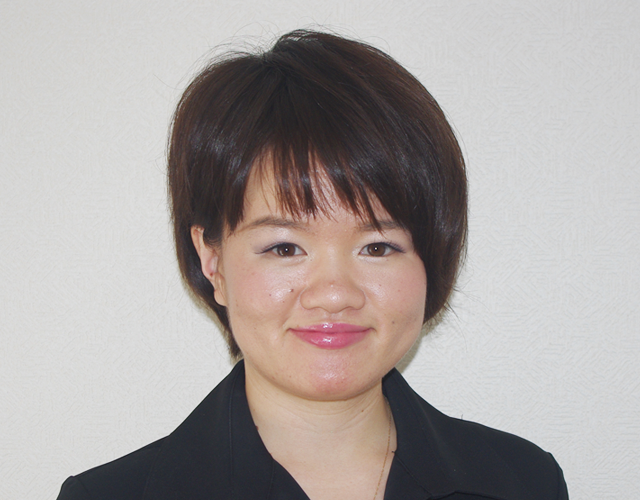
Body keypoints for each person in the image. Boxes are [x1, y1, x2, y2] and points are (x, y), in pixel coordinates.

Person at [57, 29, 568, 500]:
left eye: (377, 247)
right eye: (284, 248)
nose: (334, 293)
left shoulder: (524, 482)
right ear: (212, 262)